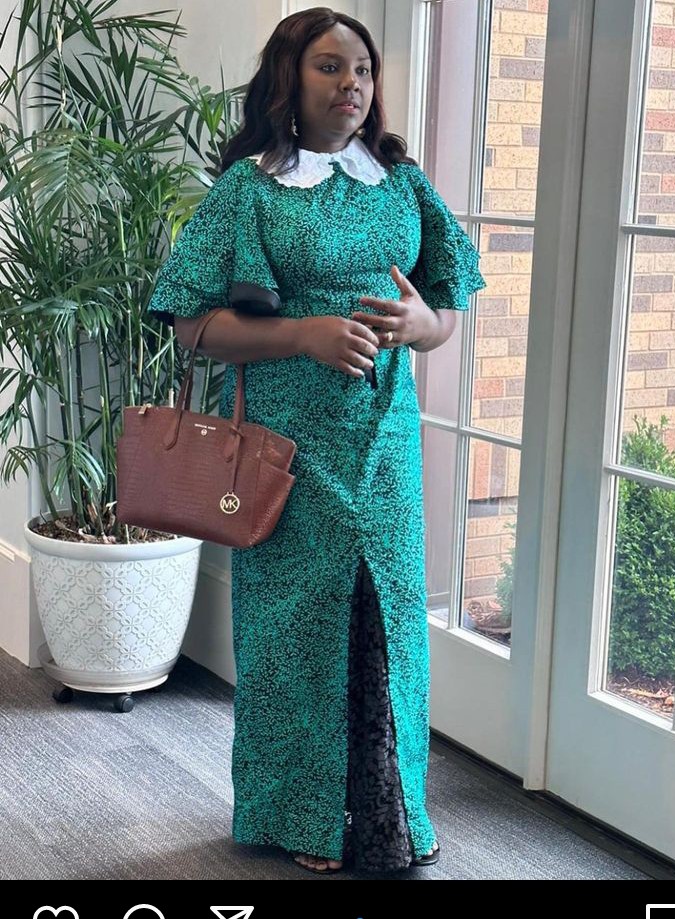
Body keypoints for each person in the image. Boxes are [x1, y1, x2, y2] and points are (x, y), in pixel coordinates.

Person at [146, 6, 487, 874]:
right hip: (288, 445)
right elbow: (189, 324)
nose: (352, 85)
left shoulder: (399, 181)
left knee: (392, 618)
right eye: (330, 67)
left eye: (362, 70)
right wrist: (304, 334)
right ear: (289, 80)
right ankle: (300, 816)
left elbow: (446, 308)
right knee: (296, 625)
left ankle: (394, 814)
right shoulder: (251, 189)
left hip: (386, 440)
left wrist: (421, 325)